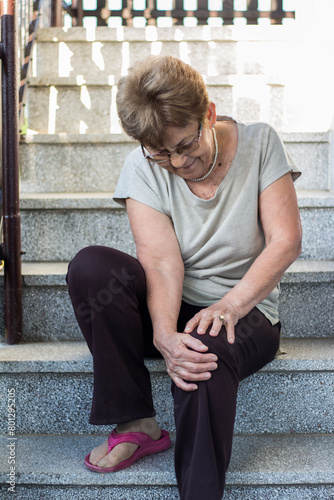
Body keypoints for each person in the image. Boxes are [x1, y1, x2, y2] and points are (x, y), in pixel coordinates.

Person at [66, 55, 302, 499]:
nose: (176, 162)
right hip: (170, 303)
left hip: (246, 307)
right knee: (91, 267)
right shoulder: (142, 165)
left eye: (185, 145)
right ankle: (137, 423)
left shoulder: (261, 144)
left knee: (205, 354)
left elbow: (285, 241)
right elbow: (160, 263)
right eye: (161, 153)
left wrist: (229, 306)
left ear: (208, 114)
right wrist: (164, 337)